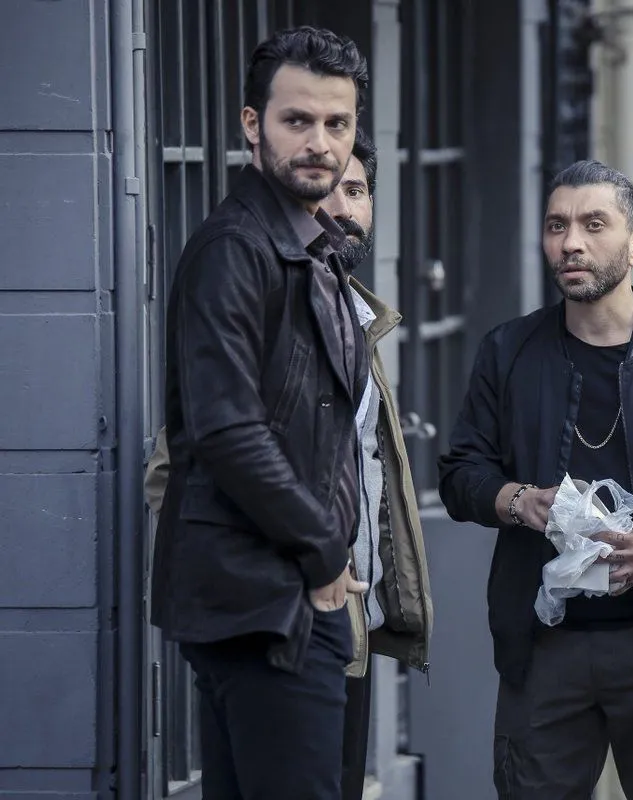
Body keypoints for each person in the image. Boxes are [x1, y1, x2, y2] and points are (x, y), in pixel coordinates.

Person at [146, 127, 432, 800]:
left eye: (357, 190)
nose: (344, 206)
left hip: (350, 619)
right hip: (282, 616)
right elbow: (175, 469)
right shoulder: (263, 294)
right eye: (329, 189)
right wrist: (288, 566)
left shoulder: (357, 315)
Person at [439, 160, 633, 799]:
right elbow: (460, 473)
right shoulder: (508, 351)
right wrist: (517, 501)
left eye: (594, 225)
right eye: (556, 225)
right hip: (544, 646)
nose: (571, 242)